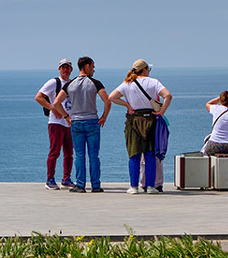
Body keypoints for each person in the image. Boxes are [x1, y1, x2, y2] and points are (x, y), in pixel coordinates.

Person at [108, 60, 171, 194]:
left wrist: (127, 105)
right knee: (150, 154)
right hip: (150, 120)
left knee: (134, 154)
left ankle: (134, 187)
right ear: (145, 69)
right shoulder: (154, 82)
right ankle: (150, 186)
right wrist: (161, 112)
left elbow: (112, 97)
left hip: (134, 121)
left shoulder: (127, 83)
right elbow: (168, 95)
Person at [52, 56, 111, 192]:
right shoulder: (95, 83)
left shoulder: (69, 84)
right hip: (92, 121)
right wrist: (104, 116)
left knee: (79, 155)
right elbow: (107, 100)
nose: (94, 70)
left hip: (76, 121)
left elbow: (56, 103)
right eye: (93, 67)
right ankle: (95, 185)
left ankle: (80, 184)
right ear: (87, 66)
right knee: (94, 155)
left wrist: (67, 117)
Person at [36, 59, 75, 190]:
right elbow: (39, 97)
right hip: (56, 122)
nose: (66, 70)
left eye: (68, 67)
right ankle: (50, 179)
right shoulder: (54, 83)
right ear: (59, 69)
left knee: (69, 153)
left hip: (69, 122)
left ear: (71, 70)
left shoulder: (72, 84)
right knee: (55, 151)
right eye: (63, 67)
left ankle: (66, 178)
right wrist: (52, 108)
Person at [203, 91, 228, 155]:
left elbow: (208, 104)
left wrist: (219, 99)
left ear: (220, 100)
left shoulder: (215, 108)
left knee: (207, 149)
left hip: (215, 144)